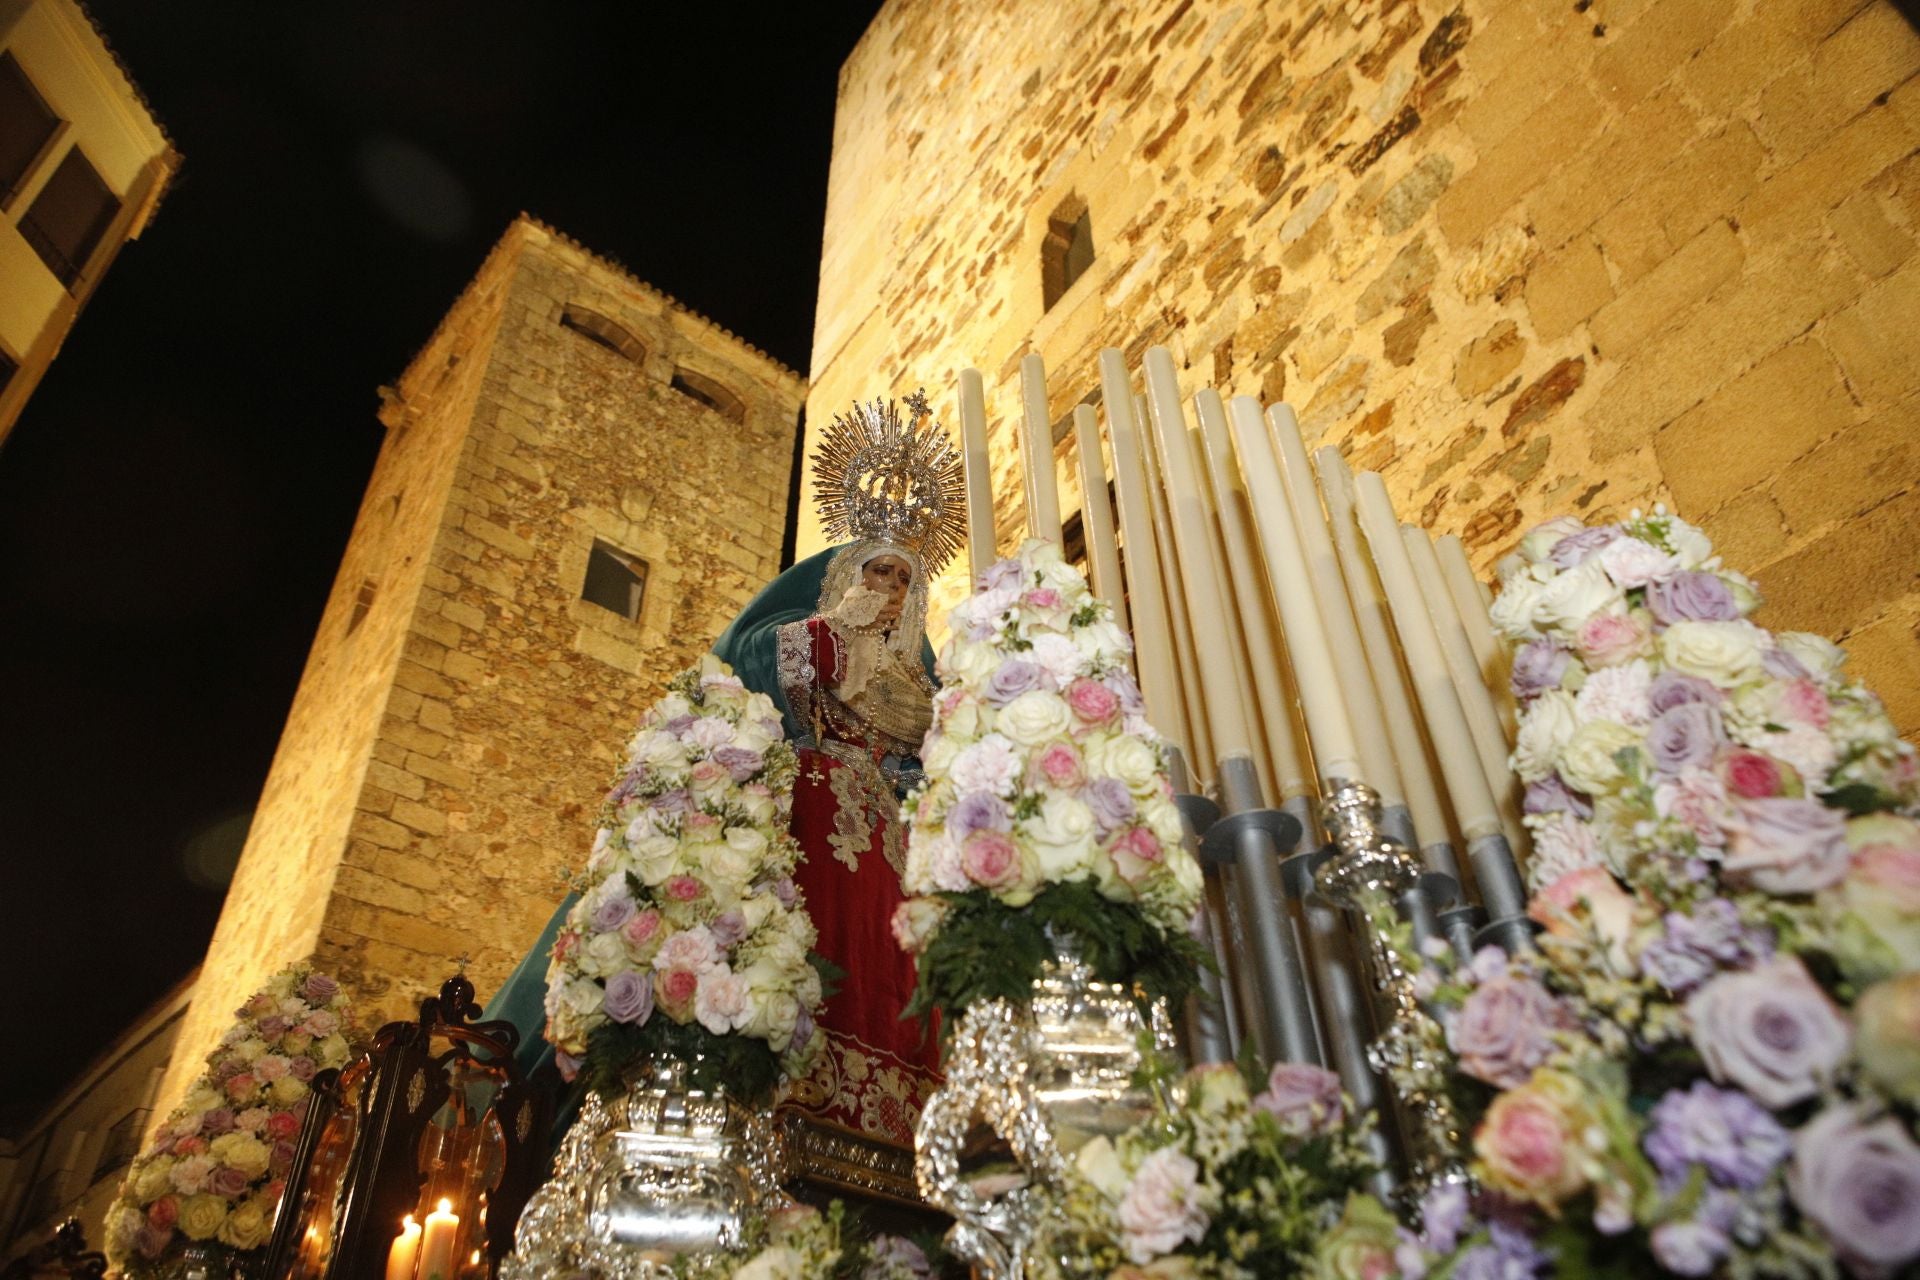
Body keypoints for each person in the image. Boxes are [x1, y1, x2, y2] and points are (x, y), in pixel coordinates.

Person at [486, 392, 963, 1149]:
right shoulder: (810, 630)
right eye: (878, 570)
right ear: (842, 573)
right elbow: (750, 664)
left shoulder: (920, 677)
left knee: (893, 985)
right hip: (806, 823)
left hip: (889, 856)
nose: (891, 589)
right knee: (801, 962)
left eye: (905, 580)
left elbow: (935, 761)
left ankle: (898, 1139)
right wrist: (837, 630)